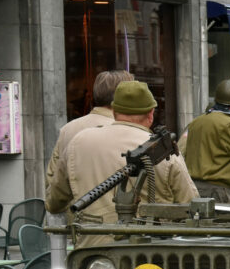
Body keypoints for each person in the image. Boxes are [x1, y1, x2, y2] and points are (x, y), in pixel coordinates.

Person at [46, 81, 198, 247]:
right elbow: (192, 206)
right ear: (151, 114)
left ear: (114, 111)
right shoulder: (164, 152)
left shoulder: (78, 142)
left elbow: (54, 203)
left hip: (93, 253)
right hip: (150, 254)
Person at [44, 70, 134, 204]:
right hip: (122, 218)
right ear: (125, 97)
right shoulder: (130, 131)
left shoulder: (68, 129)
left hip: (78, 218)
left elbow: (53, 183)